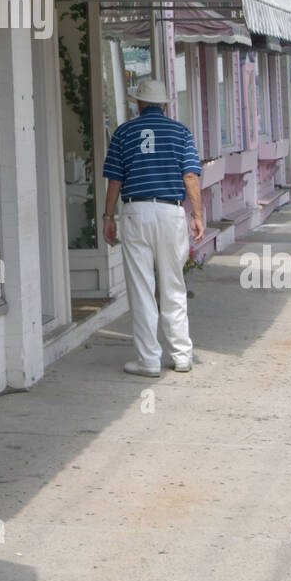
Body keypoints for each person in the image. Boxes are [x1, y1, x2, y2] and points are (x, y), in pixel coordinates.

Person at [102, 77, 205, 377]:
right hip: (170, 212)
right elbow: (190, 177)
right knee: (173, 284)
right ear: (163, 105)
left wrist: (108, 217)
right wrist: (197, 215)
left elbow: (115, 180)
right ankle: (182, 355)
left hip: (136, 211)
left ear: (138, 103)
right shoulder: (180, 132)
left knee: (141, 288)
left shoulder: (123, 133)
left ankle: (148, 360)